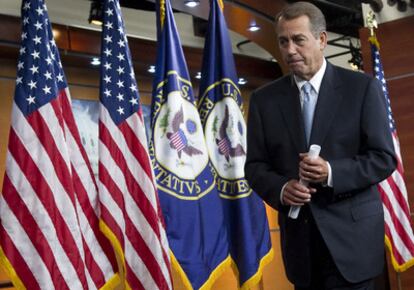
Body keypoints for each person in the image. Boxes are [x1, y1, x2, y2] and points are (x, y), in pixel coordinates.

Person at [244, 2, 397, 290]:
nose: (290, 50)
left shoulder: (362, 89)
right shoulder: (265, 100)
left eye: (298, 40)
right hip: (302, 248)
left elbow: (383, 158)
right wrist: (280, 188)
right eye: (283, 41)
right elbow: (255, 167)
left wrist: (330, 172)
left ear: (322, 40)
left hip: (353, 245)